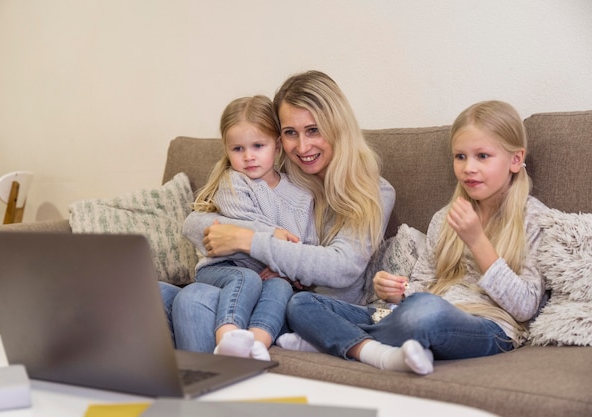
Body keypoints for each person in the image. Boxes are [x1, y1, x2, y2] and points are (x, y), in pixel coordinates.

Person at [279, 100, 549, 376]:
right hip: (415, 314)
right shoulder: (444, 218)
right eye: (460, 156)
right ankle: (371, 350)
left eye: (482, 156)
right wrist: (398, 294)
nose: (468, 168)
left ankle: (332, 339)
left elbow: (526, 307)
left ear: (515, 160)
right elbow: (422, 285)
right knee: (300, 303)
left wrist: (477, 241)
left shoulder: (535, 219)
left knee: (425, 311)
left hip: (487, 326)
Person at [170, 70, 396, 354]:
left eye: (313, 130)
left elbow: (341, 268)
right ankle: (206, 388)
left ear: (338, 127)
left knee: (194, 298)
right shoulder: (280, 172)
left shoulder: (373, 190)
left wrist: (247, 240)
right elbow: (194, 224)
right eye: (291, 133)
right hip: (259, 292)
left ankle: (217, 383)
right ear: (278, 140)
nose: (302, 147)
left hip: (311, 309)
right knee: (174, 294)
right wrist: (262, 237)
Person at [177, 95, 319, 361]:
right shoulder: (233, 182)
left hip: (272, 280)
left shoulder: (302, 195)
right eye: (238, 149)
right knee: (247, 277)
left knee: (281, 289)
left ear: (277, 146)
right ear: (227, 150)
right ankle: (227, 339)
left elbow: (307, 247)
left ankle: (256, 343)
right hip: (224, 270)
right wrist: (275, 238)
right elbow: (244, 236)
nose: (249, 157)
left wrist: (285, 273)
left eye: (257, 145)